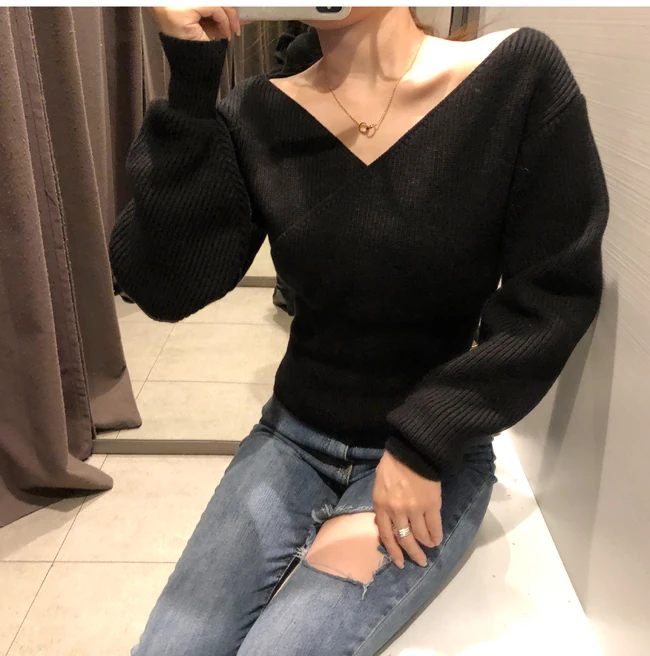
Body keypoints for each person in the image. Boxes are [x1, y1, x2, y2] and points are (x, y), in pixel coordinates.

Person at [110, 7, 608, 655]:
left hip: (426, 457)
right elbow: (164, 287)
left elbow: (555, 295)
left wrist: (428, 440)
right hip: (291, 439)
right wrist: (190, 85)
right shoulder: (258, 111)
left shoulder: (515, 76)